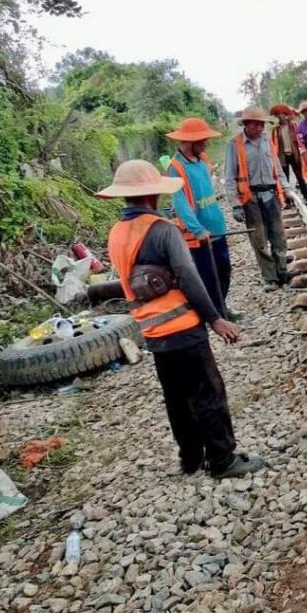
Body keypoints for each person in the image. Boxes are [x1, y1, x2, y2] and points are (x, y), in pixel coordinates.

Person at [95, 160, 262, 479]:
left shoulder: (117, 232)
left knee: (176, 397)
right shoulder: (163, 231)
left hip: (152, 332)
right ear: (152, 195)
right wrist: (215, 318)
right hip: (183, 327)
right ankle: (223, 459)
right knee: (207, 393)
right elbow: (189, 277)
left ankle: (190, 457)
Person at [164, 117, 241, 319]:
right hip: (199, 235)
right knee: (207, 276)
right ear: (190, 141)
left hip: (216, 228)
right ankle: (215, 314)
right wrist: (197, 229)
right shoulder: (176, 167)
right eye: (203, 140)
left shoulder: (203, 159)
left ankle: (220, 307)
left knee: (224, 270)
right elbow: (180, 203)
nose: (206, 143)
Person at [224, 106, 290, 289]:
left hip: (271, 194)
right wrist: (235, 204)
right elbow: (229, 177)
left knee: (278, 235)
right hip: (250, 198)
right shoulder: (235, 144)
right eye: (255, 125)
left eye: (262, 125)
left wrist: (287, 189)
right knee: (259, 240)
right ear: (246, 124)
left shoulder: (267, 140)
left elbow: (276, 167)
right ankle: (269, 277)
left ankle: (282, 270)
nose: (259, 129)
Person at [270, 104, 307, 201]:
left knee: (300, 177)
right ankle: (288, 200)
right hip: (282, 156)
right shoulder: (276, 130)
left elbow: (299, 139)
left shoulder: (293, 126)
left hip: (294, 154)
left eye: (283, 115)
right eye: (279, 115)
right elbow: (274, 144)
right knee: (285, 178)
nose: (281, 117)